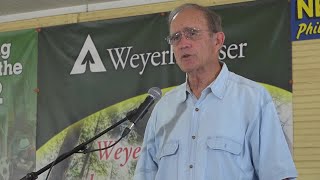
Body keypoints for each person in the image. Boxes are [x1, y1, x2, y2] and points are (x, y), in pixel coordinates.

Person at [133, 3, 297, 180]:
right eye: (176, 37)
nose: (183, 44)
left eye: (192, 33)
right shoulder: (163, 109)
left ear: (217, 40)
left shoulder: (253, 99)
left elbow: (279, 175)